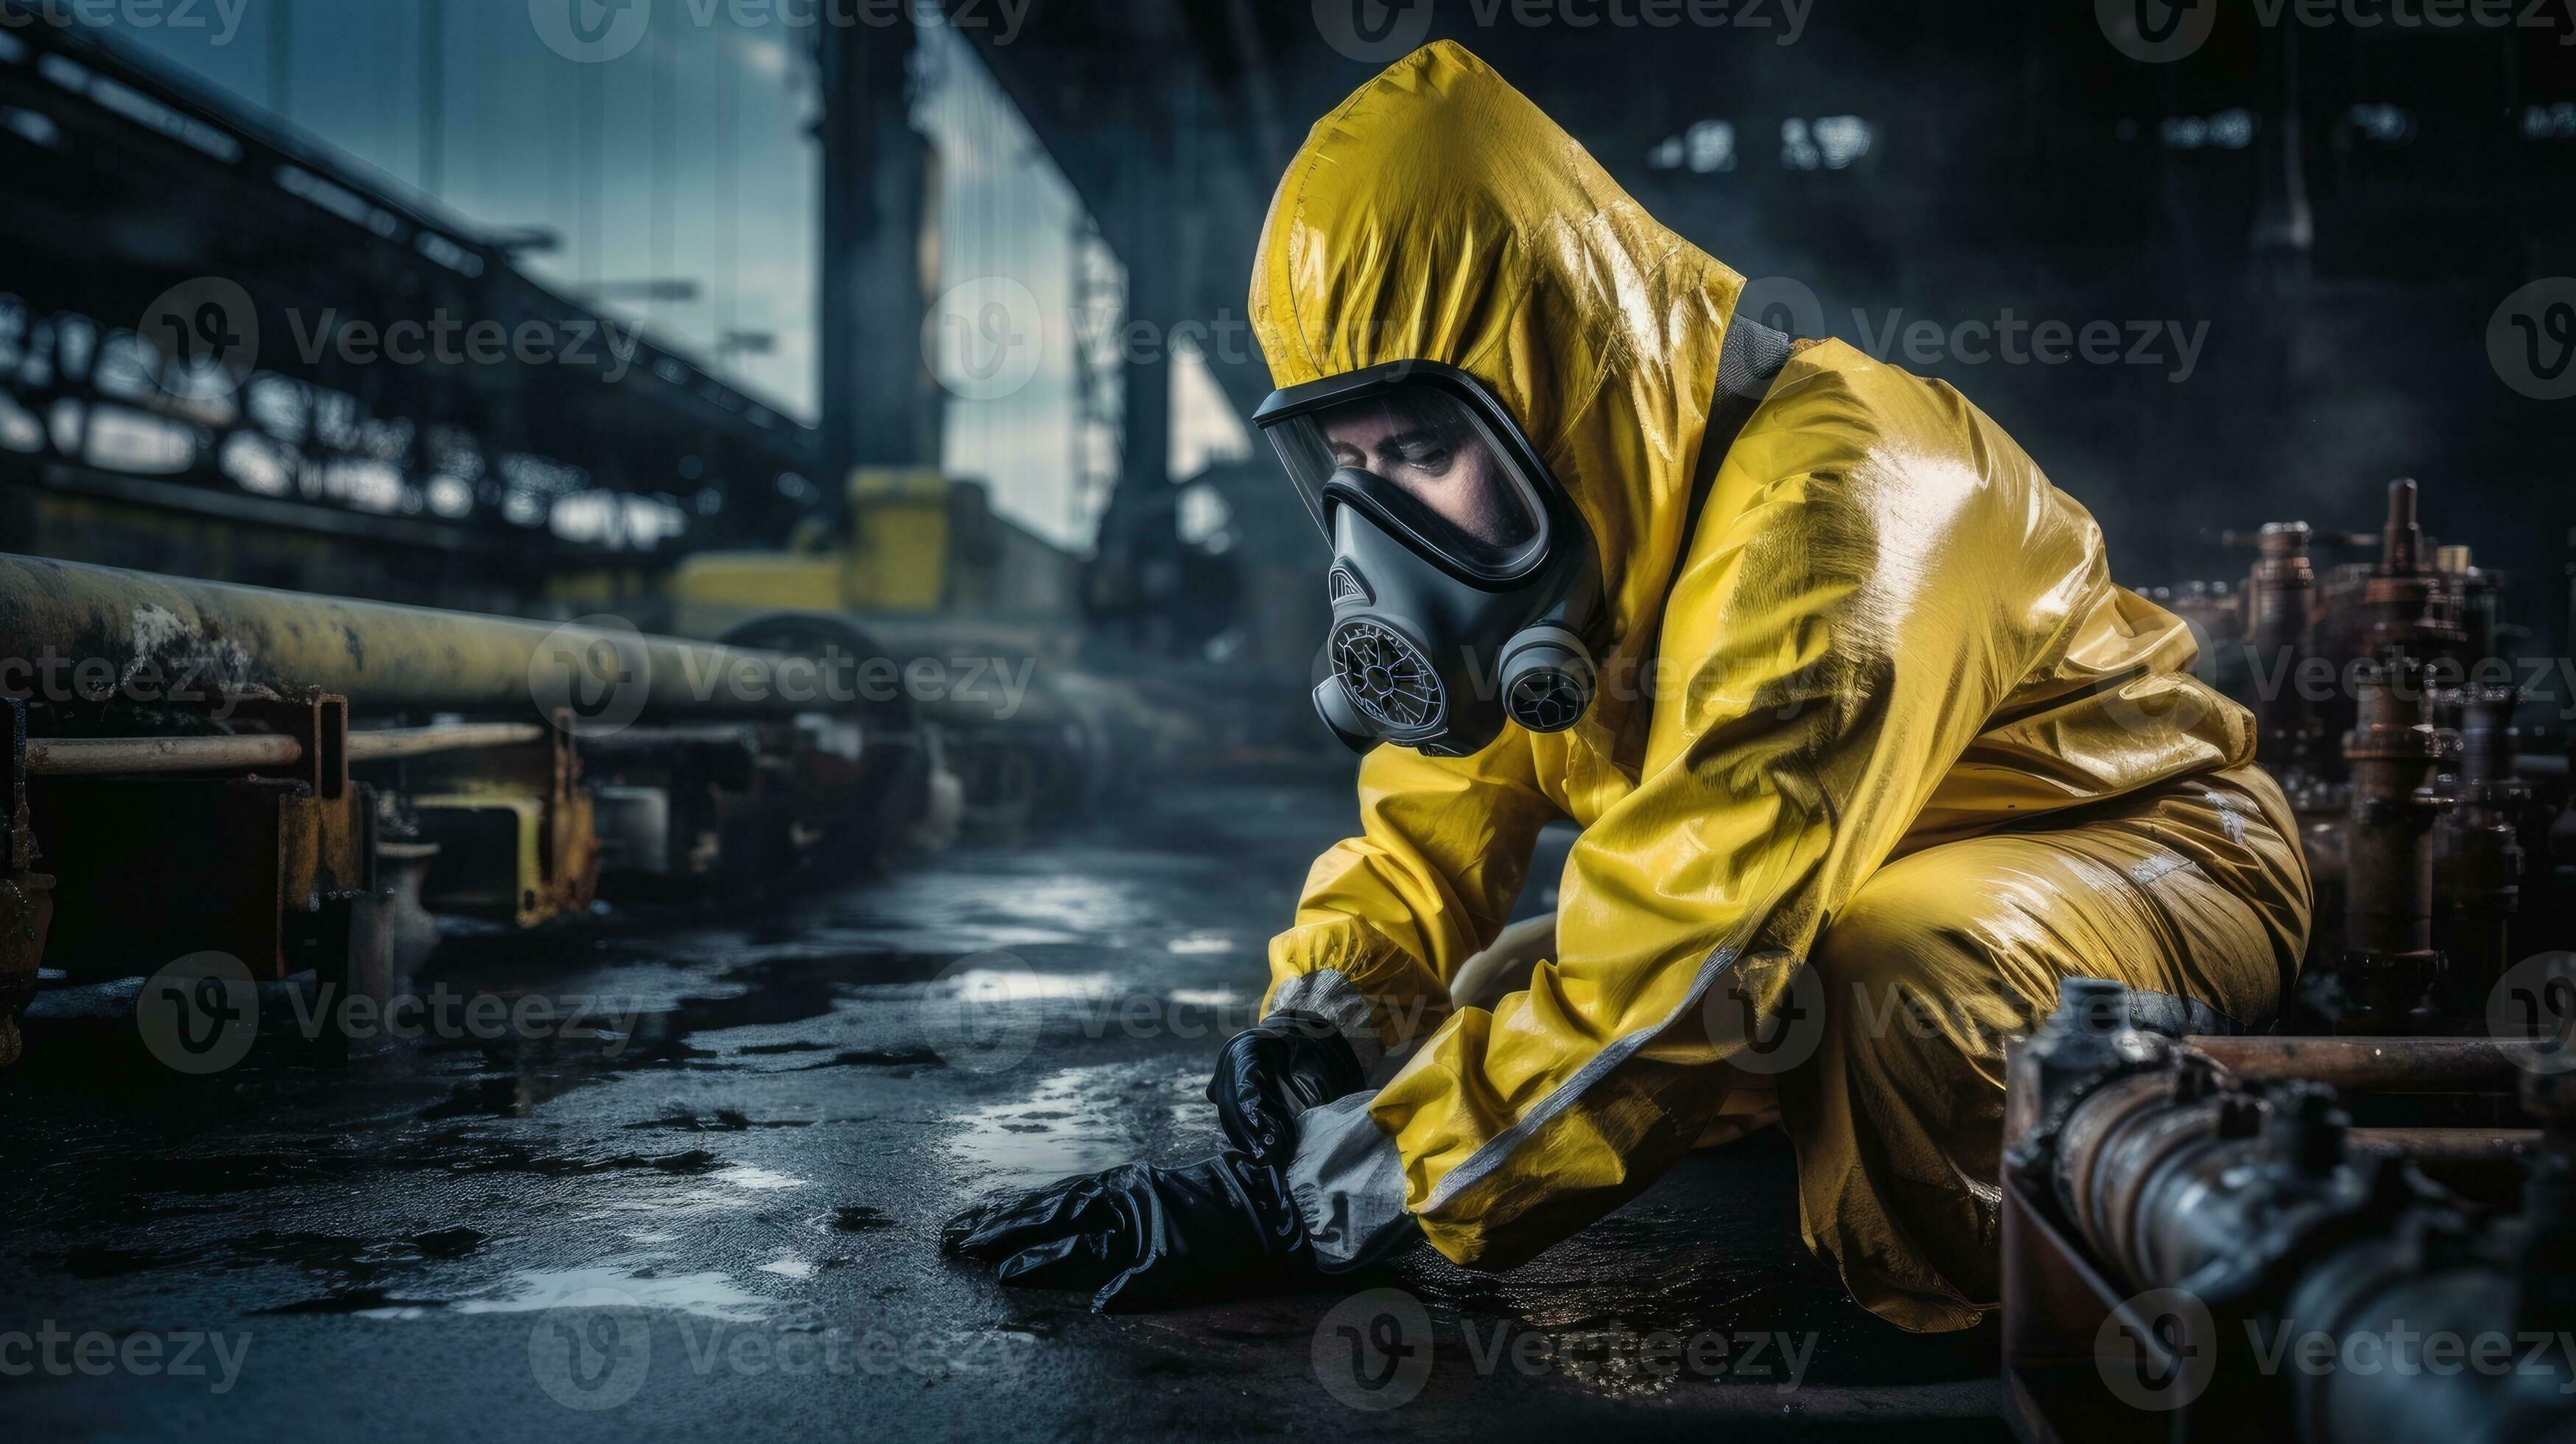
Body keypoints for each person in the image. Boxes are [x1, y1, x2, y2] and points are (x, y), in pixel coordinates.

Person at [944, 41, 2310, 1332]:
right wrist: (1327, 1017)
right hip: (1844, 870)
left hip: (2143, 856)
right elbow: (1434, 815)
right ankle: (1827, 1115)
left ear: (1558, 373)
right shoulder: (1580, 528)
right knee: (1491, 989)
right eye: (1345, 470)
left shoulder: (1842, 510)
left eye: (1419, 445)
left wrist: (1314, 1202)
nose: (1376, 527)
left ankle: (1999, 1320)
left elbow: (1687, 957)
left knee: (1896, 976)